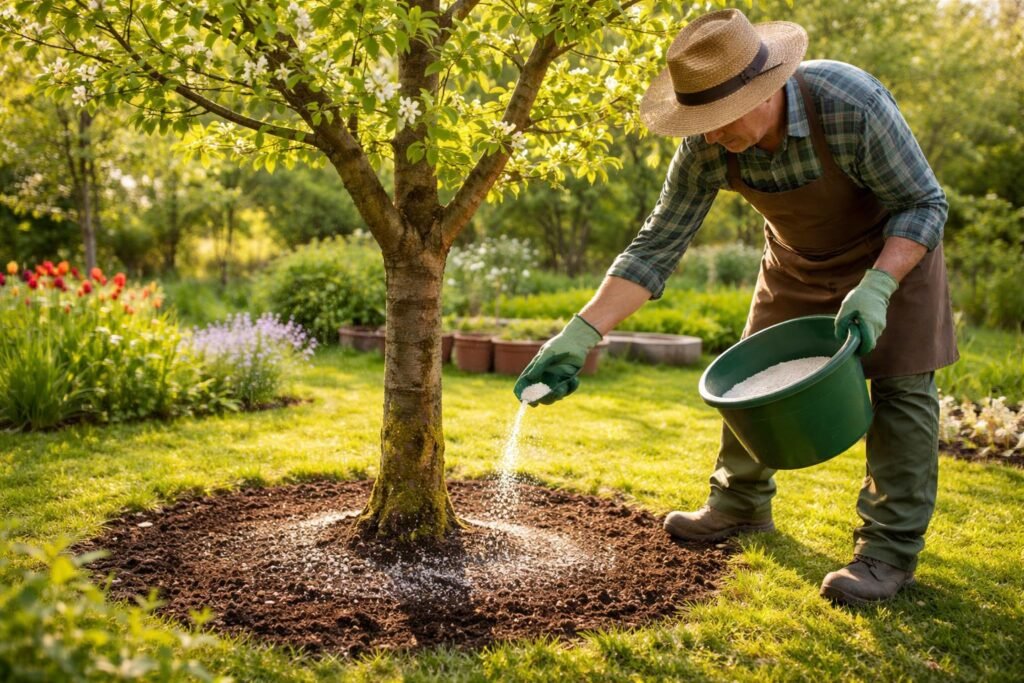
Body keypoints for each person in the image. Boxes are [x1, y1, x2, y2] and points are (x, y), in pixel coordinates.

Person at [513, 8, 958, 605]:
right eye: (698, 121)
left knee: (901, 389)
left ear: (766, 89)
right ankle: (739, 504)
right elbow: (657, 245)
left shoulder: (849, 105)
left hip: (894, 255)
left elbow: (924, 203)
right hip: (797, 261)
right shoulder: (706, 147)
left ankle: (888, 552)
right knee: (748, 376)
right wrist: (581, 332)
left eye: (718, 119)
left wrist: (878, 286)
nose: (708, 134)